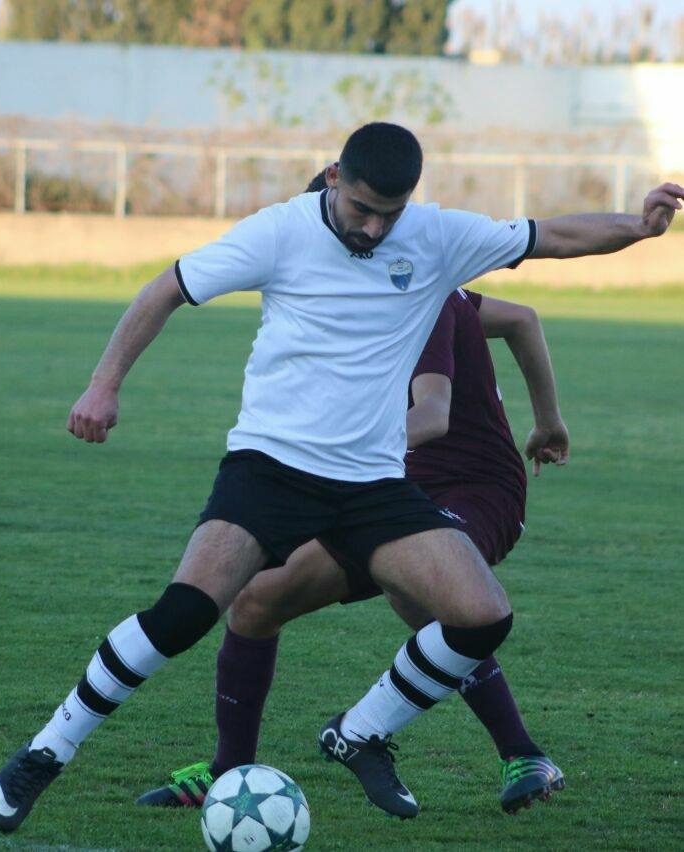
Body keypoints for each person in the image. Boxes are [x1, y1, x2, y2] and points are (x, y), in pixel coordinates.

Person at [0, 122, 682, 834]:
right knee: (185, 613)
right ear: (332, 178)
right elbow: (166, 288)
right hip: (270, 468)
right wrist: (103, 386)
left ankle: (360, 731)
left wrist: (637, 226)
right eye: (361, 209)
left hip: (371, 485)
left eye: (390, 214)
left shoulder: (434, 236)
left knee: (481, 615)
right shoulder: (280, 231)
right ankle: (43, 753)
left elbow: (551, 236)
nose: (374, 228)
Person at [135, 271, 568, 816]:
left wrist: (334, 447)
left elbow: (433, 415)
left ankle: (498, 751)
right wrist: (548, 423)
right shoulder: (365, 293)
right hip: (388, 481)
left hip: (475, 486)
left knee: (426, 594)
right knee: (257, 599)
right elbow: (521, 318)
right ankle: (229, 770)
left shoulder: (419, 296)